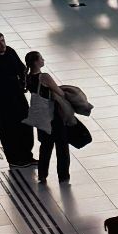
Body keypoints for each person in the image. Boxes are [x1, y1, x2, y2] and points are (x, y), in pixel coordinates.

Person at [0, 32, 34, 167]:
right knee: (9, 128)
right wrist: (10, 81)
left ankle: (27, 155)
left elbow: (21, 68)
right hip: (4, 100)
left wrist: (23, 81)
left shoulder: (10, 52)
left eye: (3, 41)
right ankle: (14, 158)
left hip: (18, 96)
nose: (2, 44)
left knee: (25, 124)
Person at [24, 51, 74, 184]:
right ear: (36, 62)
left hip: (41, 117)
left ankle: (42, 174)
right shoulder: (44, 77)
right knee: (62, 147)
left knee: (45, 146)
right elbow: (60, 93)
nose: (43, 60)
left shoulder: (28, 77)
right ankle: (63, 176)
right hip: (54, 116)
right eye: (41, 58)